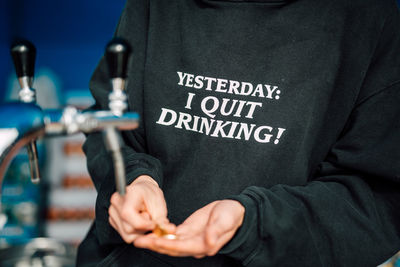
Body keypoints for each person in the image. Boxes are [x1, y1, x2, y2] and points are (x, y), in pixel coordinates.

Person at [76, 0, 400, 266]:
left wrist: (254, 224)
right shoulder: (152, 7)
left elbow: (379, 200)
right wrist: (132, 180)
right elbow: (108, 127)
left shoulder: (371, 20)